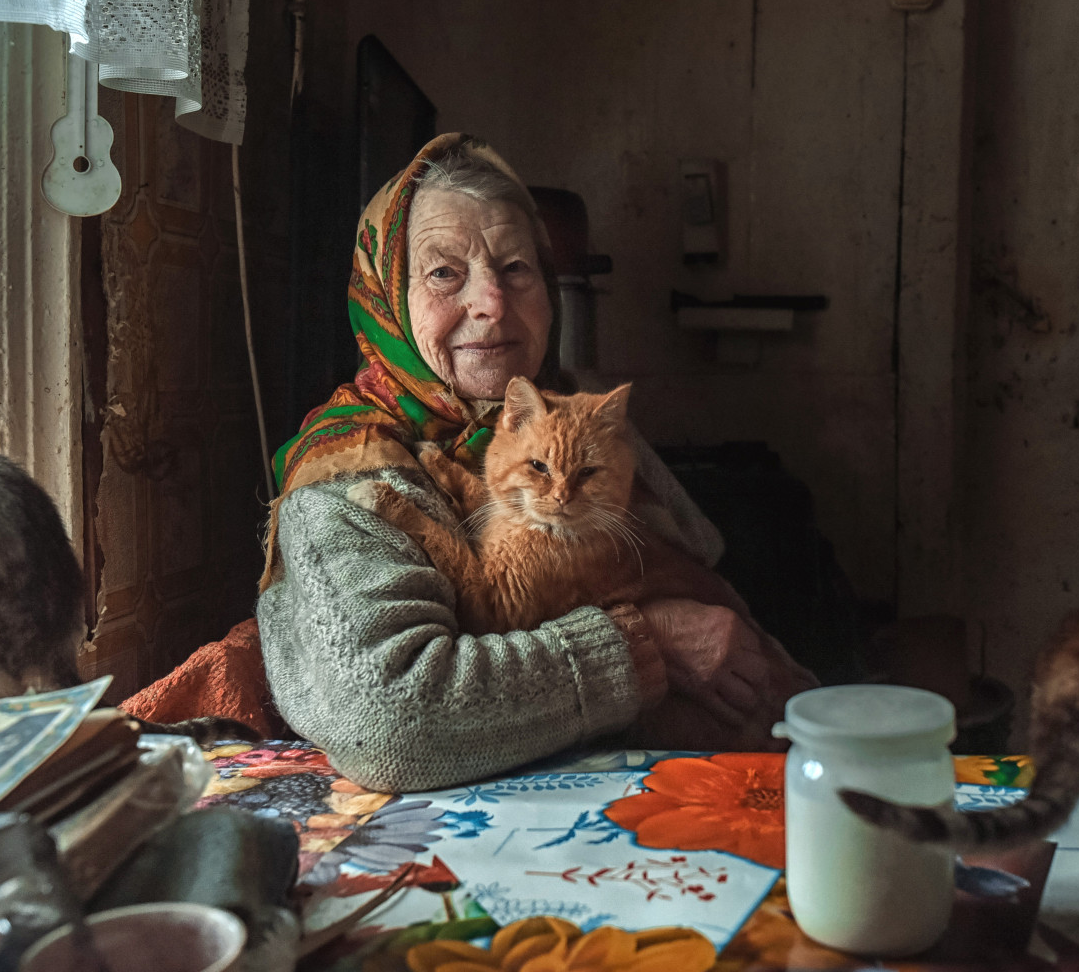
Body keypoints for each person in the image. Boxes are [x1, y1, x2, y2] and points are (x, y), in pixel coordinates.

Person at [246, 134, 812, 791]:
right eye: (444, 273)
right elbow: (391, 720)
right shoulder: (348, 473)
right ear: (385, 298)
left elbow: (711, 580)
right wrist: (646, 643)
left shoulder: (573, 412)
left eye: (517, 268)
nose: (491, 301)